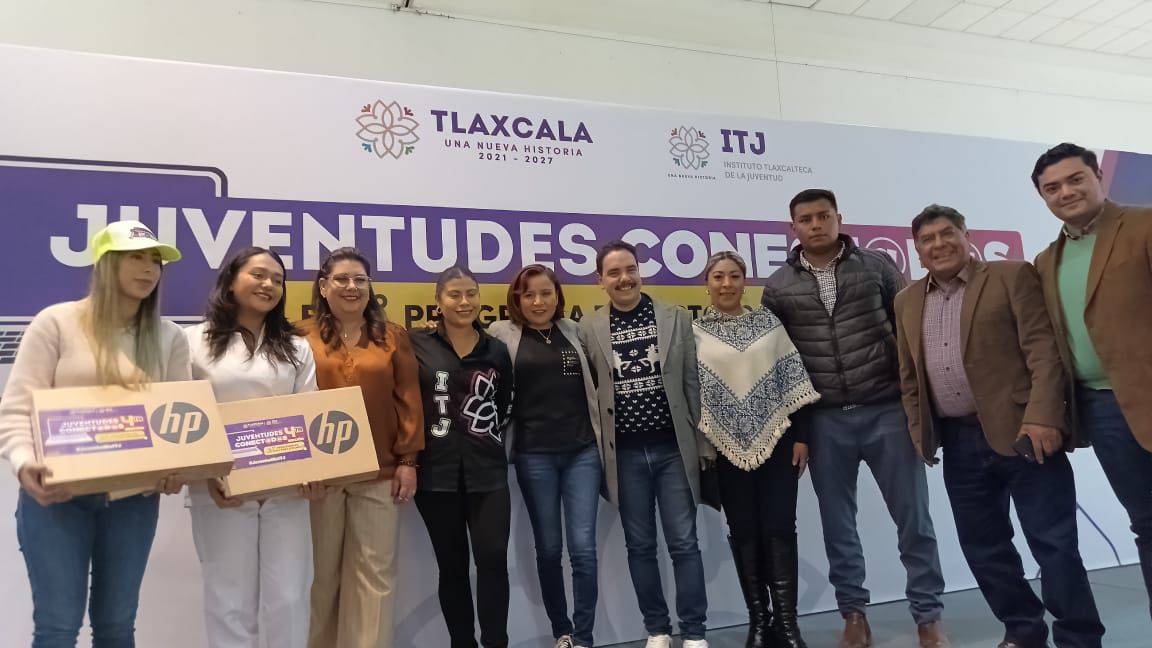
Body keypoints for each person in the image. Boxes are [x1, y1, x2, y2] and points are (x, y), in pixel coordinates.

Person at [896, 205, 1105, 648]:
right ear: (916, 249)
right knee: (983, 547)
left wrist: (1044, 417)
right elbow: (909, 373)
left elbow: (1043, 351)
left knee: (1054, 545)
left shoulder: (1010, 276)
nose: (938, 244)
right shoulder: (907, 300)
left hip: (1025, 433)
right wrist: (919, 431)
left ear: (966, 235)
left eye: (947, 233)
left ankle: (1079, 637)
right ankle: (1023, 630)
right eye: (927, 239)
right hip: (957, 442)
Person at [761, 190, 949, 648]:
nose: (815, 224)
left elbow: (909, 335)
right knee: (838, 525)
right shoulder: (779, 286)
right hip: (825, 420)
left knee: (914, 520)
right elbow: (780, 363)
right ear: (793, 227)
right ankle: (854, 613)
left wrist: (916, 408)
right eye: (806, 219)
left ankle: (928, 617)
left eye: (823, 215)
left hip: (886, 410)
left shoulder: (877, 267)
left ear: (838, 218)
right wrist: (799, 429)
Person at [0, 220, 189, 647]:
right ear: (106, 263)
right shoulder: (56, 322)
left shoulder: (170, 337)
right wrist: (24, 462)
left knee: (117, 626)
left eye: (155, 260)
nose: (149, 268)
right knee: (57, 627)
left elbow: (182, 419)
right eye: (136, 257)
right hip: (57, 497)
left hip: (134, 500)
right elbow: (15, 409)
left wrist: (177, 469)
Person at [1031, 143, 1152, 621]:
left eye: (1075, 179)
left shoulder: (1143, 225)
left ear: (1098, 176)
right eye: (1052, 188)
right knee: (1146, 523)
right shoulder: (1046, 261)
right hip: (1101, 409)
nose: (1066, 192)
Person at [186, 246, 326, 648]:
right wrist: (206, 474)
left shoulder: (296, 347)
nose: (269, 285)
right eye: (259, 275)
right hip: (221, 488)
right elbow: (183, 418)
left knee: (290, 598)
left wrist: (316, 472)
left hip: (287, 489)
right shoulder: (192, 341)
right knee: (229, 600)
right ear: (231, 281)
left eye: (278, 280)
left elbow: (309, 410)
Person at [579, 240, 713, 648]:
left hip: (673, 450)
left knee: (684, 544)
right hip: (624, 456)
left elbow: (692, 384)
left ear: (640, 271)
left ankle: (694, 631)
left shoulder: (675, 317)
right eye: (614, 272)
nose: (624, 279)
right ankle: (657, 628)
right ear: (600, 280)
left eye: (630, 269)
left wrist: (704, 446)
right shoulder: (588, 328)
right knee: (639, 546)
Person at [693, 251, 820, 648]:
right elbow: (693, 395)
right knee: (745, 530)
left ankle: (787, 624)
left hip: (780, 443)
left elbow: (793, 381)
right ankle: (759, 623)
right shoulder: (694, 334)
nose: (726, 284)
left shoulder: (769, 324)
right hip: (724, 449)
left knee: (780, 527)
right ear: (707, 284)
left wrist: (802, 437)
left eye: (734, 276)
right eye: (718, 277)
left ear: (744, 281)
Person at [300, 247, 424, 648]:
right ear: (323, 287)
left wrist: (408, 460)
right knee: (321, 577)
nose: (351, 287)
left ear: (370, 287)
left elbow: (408, 398)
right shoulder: (300, 337)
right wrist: (300, 467)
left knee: (374, 578)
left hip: (380, 473)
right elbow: (290, 402)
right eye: (341, 279)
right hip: (321, 477)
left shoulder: (392, 336)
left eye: (360, 279)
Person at [487, 264, 602, 648]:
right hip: (533, 456)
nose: (538, 301)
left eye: (546, 293)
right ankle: (562, 631)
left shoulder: (574, 331)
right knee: (550, 549)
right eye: (529, 294)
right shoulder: (501, 334)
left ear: (557, 296)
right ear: (516, 299)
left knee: (583, 549)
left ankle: (583, 636)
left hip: (583, 453)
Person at [410, 266, 514, 648]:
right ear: (438, 301)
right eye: (454, 294)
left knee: (493, 561)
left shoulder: (496, 350)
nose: (464, 301)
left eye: (471, 293)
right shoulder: (416, 344)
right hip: (436, 476)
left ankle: (495, 642)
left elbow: (503, 405)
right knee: (452, 567)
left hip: (488, 473)